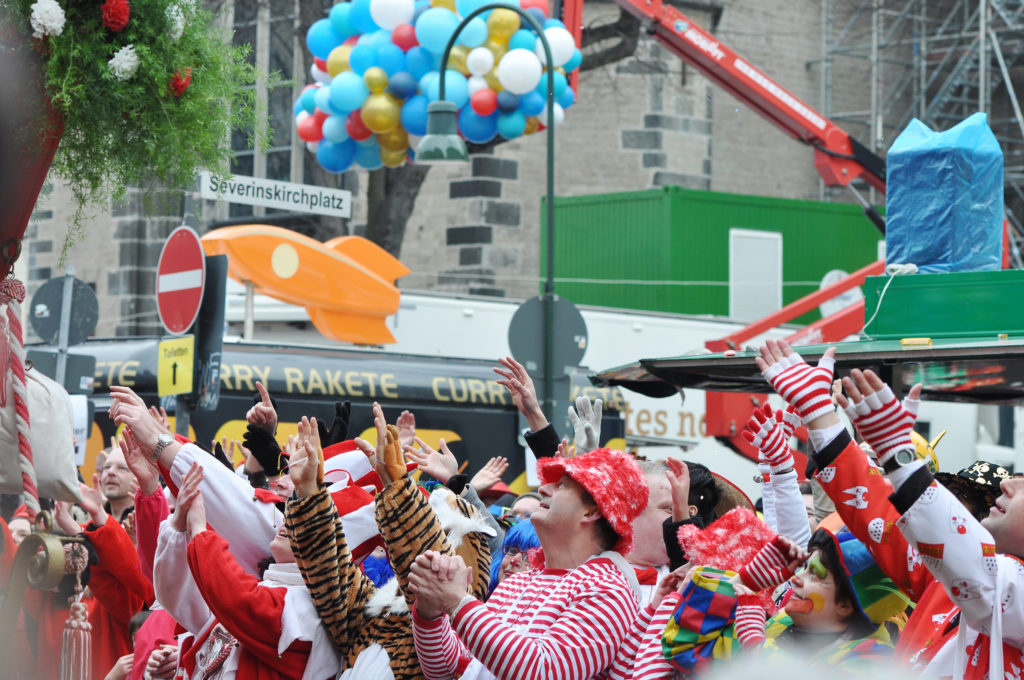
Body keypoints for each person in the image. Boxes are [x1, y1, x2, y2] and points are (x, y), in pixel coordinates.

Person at [757, 338, 1024, 678]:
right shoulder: (943, 576)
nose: (1009, 484)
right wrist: (820, 417)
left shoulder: (990, 580)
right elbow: (878, 518)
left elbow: (977, 569)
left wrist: (902, 462)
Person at [285, 402, 495, 679]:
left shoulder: (449, 642)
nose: (433, 553)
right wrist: (309, 492)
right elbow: (330, 576)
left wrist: (397, 487)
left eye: (442, 534)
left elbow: (430, 570)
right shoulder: (374, 616)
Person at [408, 447, 648, 680]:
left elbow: (541, 671)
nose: (542, 488)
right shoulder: (519, 581)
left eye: (562, 485)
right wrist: (431, 612)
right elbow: (448, 669)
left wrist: (455, 601)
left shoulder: (609, 590)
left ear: (590, 512)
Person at [100, 444, 138, 523]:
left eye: (122, 468)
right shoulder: (92, 521)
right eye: (107, 467)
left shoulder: (145, 522)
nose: (110, 472)